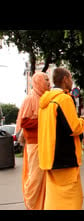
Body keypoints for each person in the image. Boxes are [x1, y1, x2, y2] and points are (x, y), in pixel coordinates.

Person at [38, 67, 84, 210]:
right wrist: (83, 120)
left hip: (49, 159)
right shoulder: (64, 99)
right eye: (71, 78)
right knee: (72, 201)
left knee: (54, 200)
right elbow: (74, 128)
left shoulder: (44, 102)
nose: (72, 82)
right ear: (65, 79)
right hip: (65, 159)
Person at [15, 72, 50, 210]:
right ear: (39, 81)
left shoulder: (46, 98)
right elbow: (25, 122)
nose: (49, 82)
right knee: (35, 178)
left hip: (46, 142)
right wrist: (46, 120)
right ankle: (32, 206)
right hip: (34, 144)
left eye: (49, 80)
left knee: (45, 178)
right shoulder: (30, 98)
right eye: (46, 80)